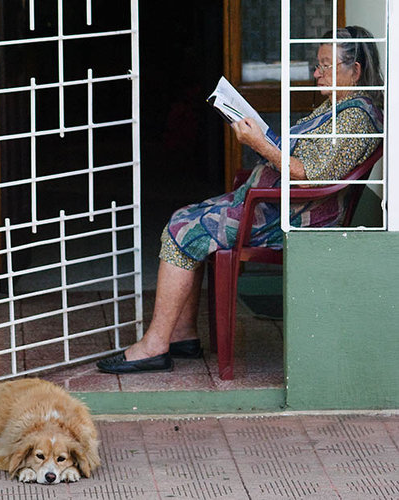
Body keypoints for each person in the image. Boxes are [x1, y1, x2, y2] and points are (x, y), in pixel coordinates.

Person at [97, 26, 384, 374]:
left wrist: (259, 143)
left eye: (326, 64)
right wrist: (263, 136)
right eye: (317, 64)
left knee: (183, 230)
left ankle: (155, 345)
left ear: (354, 71)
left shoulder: (355, 118)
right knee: (185, 216)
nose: (316, 72)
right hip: (274, 203)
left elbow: (311, 174)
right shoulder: (340, 107)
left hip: (292, 213)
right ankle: (184, 335)